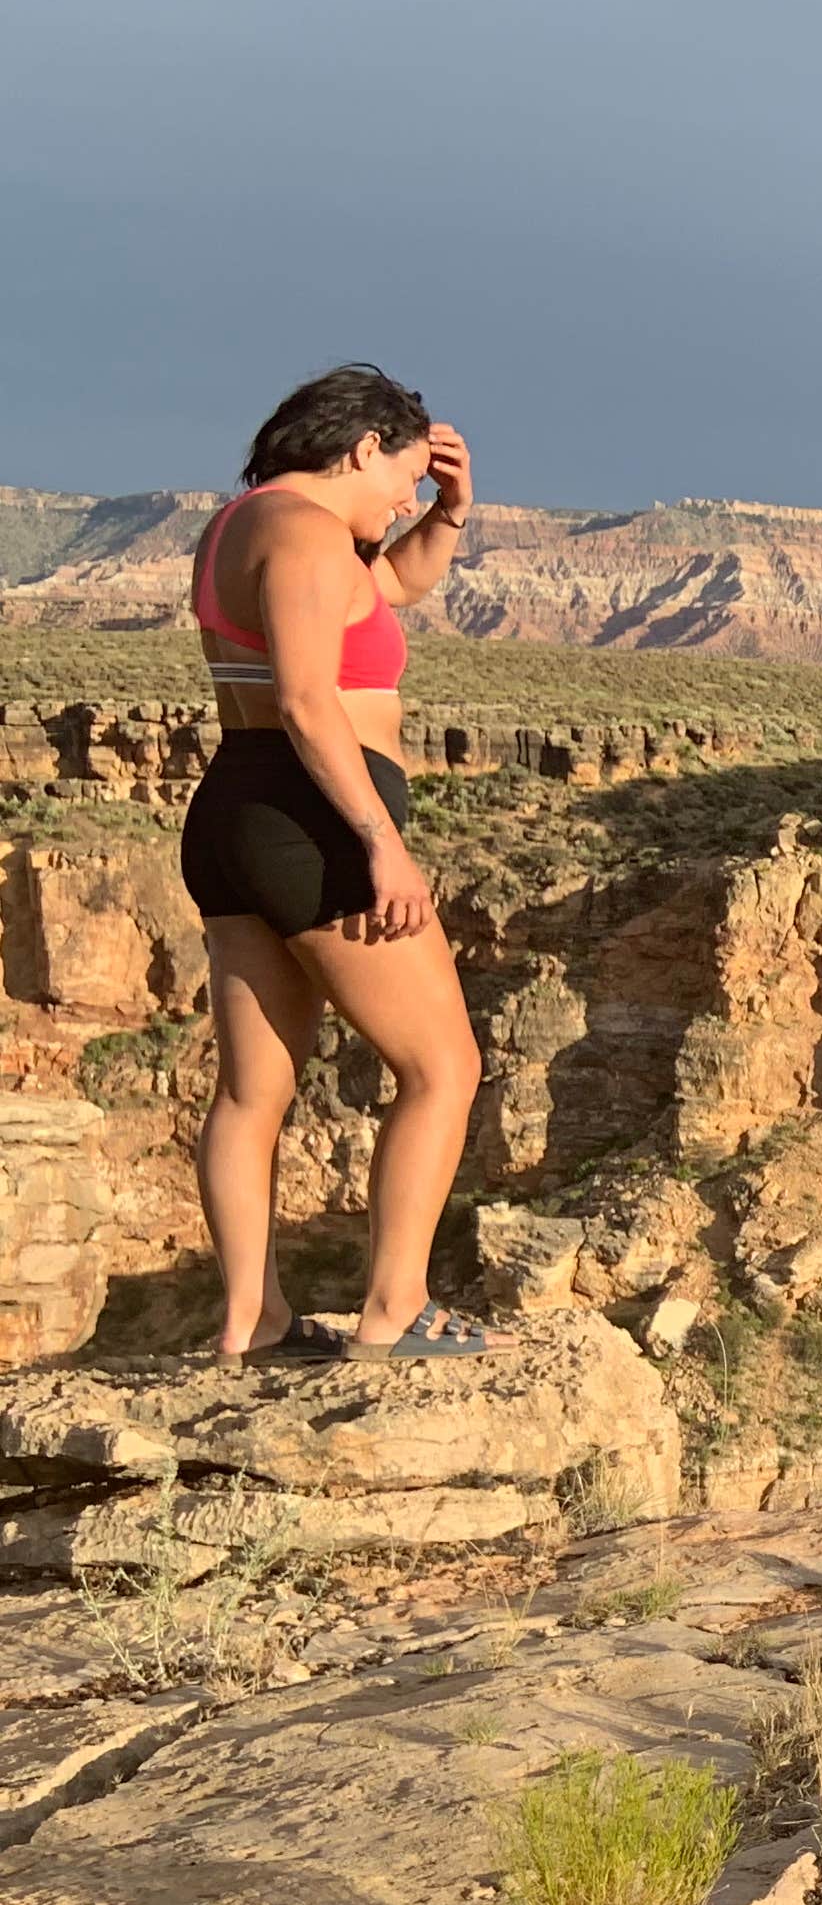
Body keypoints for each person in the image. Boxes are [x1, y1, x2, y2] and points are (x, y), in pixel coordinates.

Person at [181, 363, 488, 1361]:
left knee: (252, 1093)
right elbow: (312, 702)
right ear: (360, 447)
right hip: (310, 824)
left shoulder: (249, 525)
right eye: (402, 477)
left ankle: (252, 1320)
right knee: (444, 1066)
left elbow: (391, 583)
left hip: (237, 811)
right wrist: (381, 845)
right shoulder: (311, 538)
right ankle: (395, 1308)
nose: (402, 498)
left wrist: (448, 513)